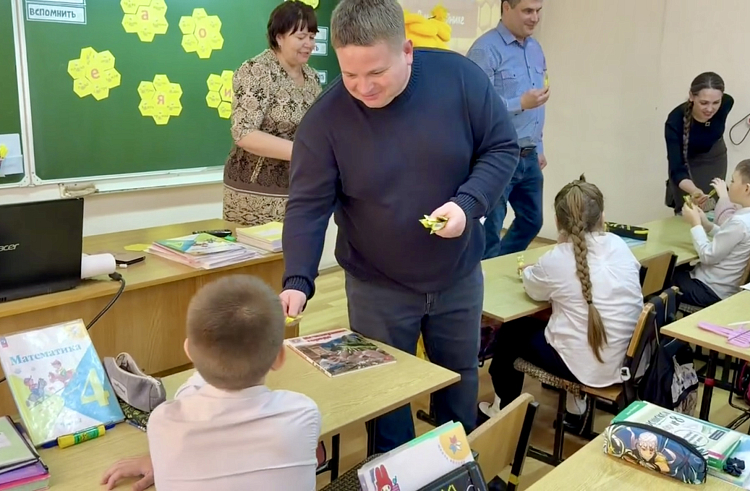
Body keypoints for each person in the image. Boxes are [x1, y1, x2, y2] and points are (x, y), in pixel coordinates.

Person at [279, 0, 520, 453]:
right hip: (377, 285)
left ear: (407, 51)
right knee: (384, 394)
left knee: (460, 380)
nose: (363, 87)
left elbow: (501, 147)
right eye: (350, 75)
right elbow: (308, 206)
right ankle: (395, 474)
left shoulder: (461, 80)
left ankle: (455, 470)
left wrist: (467, 204)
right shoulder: (326, 120)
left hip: (457, 275)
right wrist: (298, 278)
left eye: (376, 72)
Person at [100, 275, 321, 491]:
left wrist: (157, 460)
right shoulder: (303, 413)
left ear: (188, 351)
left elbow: (192, 400)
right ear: (279, 357)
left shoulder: (163, 422)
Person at [480, 175, 643, 432]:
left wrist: (541, 263)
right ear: (602, 217)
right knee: (566, 322)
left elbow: (532, 288)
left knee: (513, 330)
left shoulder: (557, 258)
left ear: (557, 222)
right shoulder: (618, 244)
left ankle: (503, 409)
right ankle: (575, 409)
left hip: (585, 367)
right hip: (626, 363)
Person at [223, 1, 322, 226]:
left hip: (300, 187)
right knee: (259, 249)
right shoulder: (256, 71)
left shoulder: (313, 78)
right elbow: (243, 132)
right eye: (301, 37)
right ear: (279, 37)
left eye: (312, 37)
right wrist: (304, 152)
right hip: (255, 191)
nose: (308, 44)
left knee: (297, 246)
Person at [466, 0, 548, 259]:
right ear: (506, 8)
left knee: (532, 220)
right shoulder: (485, 49)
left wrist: (539, 145)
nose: (535, 18)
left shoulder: (535, 49)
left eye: (538, 11)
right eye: (527, 11)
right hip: (497, 156)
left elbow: (539, 104)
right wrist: (518, 103)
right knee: (490, 230)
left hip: (529, 154)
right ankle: (488, 277)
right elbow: (474, 104)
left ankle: (500, 264)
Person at [675, 160, 750, 308]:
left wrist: (695, 224)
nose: (729, 185)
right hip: (724, 286)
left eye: (733, 181)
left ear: (747, 188)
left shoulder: (739, 223)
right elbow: (730, 239)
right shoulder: (744, 219)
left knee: (660, 279)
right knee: (676, 271)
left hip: (711, 290)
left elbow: (707, 255)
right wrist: (706, 224)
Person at [665, 72, 734, 214]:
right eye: (704, 103)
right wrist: (695, 191)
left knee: (714, 206)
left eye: (716, 102)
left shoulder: (727, 102)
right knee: (690, 210)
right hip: (687, 167)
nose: (710, 109)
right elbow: (676, 168)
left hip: (716, 158)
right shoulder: (675, 121)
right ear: (691, 96)